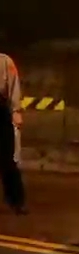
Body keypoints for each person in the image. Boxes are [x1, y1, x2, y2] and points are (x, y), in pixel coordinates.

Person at [0, 52, 26, 214]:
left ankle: (16, 201)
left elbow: (13, 84)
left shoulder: (4, 61)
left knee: (7, 160)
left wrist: (16, 110)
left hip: (0, 111)